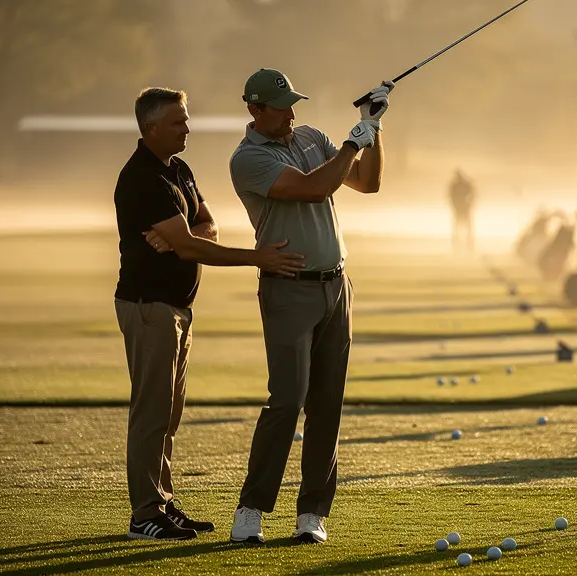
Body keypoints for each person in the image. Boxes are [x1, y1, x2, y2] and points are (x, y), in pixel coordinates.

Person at [114, 87, 305, 541]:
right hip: (149, 307)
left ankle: (162, 504)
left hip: (177, 307)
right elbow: (188, 245)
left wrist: (187, 236)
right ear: (152, 127)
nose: (187, 127)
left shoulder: (177, 169)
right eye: (178, 121)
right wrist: (256, 257)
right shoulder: (142, 177)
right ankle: (145, 514)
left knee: (170, 412)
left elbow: (205, 225)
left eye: (186, 119)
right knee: (152, 413)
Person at [226, 68, 392, 545]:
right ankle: (252, 509)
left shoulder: (312, 137)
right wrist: (351, 144)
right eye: (281, 107)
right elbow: (312, 188)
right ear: (255, 110)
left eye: (293, 104)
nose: (291, 114)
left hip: (336, 287)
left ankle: (312, 514)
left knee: (326, 406)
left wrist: (373, 129)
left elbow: (367, 182)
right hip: (288, 289)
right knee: (286, 400)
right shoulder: (248, 158)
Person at [448, 170, 476, 251]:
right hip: (461, 209)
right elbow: (451, 198)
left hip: (462, 209)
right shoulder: (461, 185)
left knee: (462, 228)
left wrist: (469, 205)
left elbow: (451, 198)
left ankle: (466, 245)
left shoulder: (457, 185)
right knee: (463, 228)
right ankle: (460, 245)